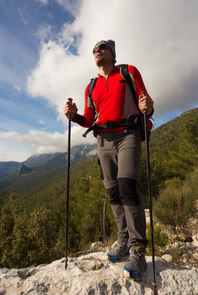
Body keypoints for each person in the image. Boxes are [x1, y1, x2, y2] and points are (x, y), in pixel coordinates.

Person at [63, 39, 154, 280]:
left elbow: (145, 102)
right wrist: (74, 116)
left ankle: (137, 250)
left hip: (127, 135)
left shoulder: (128, 71)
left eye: (101, 47)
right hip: (102, 140)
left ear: (112, 53)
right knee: (113, 191)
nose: (96, 50)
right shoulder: (91, 86)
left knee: (127, 187)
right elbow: (90, 118)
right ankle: (123, 241)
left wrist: (150, 106)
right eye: (94, 49)